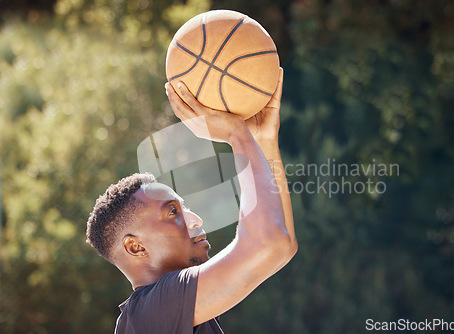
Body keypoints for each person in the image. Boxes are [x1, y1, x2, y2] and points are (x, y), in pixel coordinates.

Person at [86, 68, 297, 333]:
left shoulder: (167, 313)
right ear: (135, 247)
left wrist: (263, 141)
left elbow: (282, 242)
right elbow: (271, 242)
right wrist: (235, 133)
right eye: (173, 212)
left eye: (184, 207)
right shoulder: (150, 313)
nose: (195, 219)